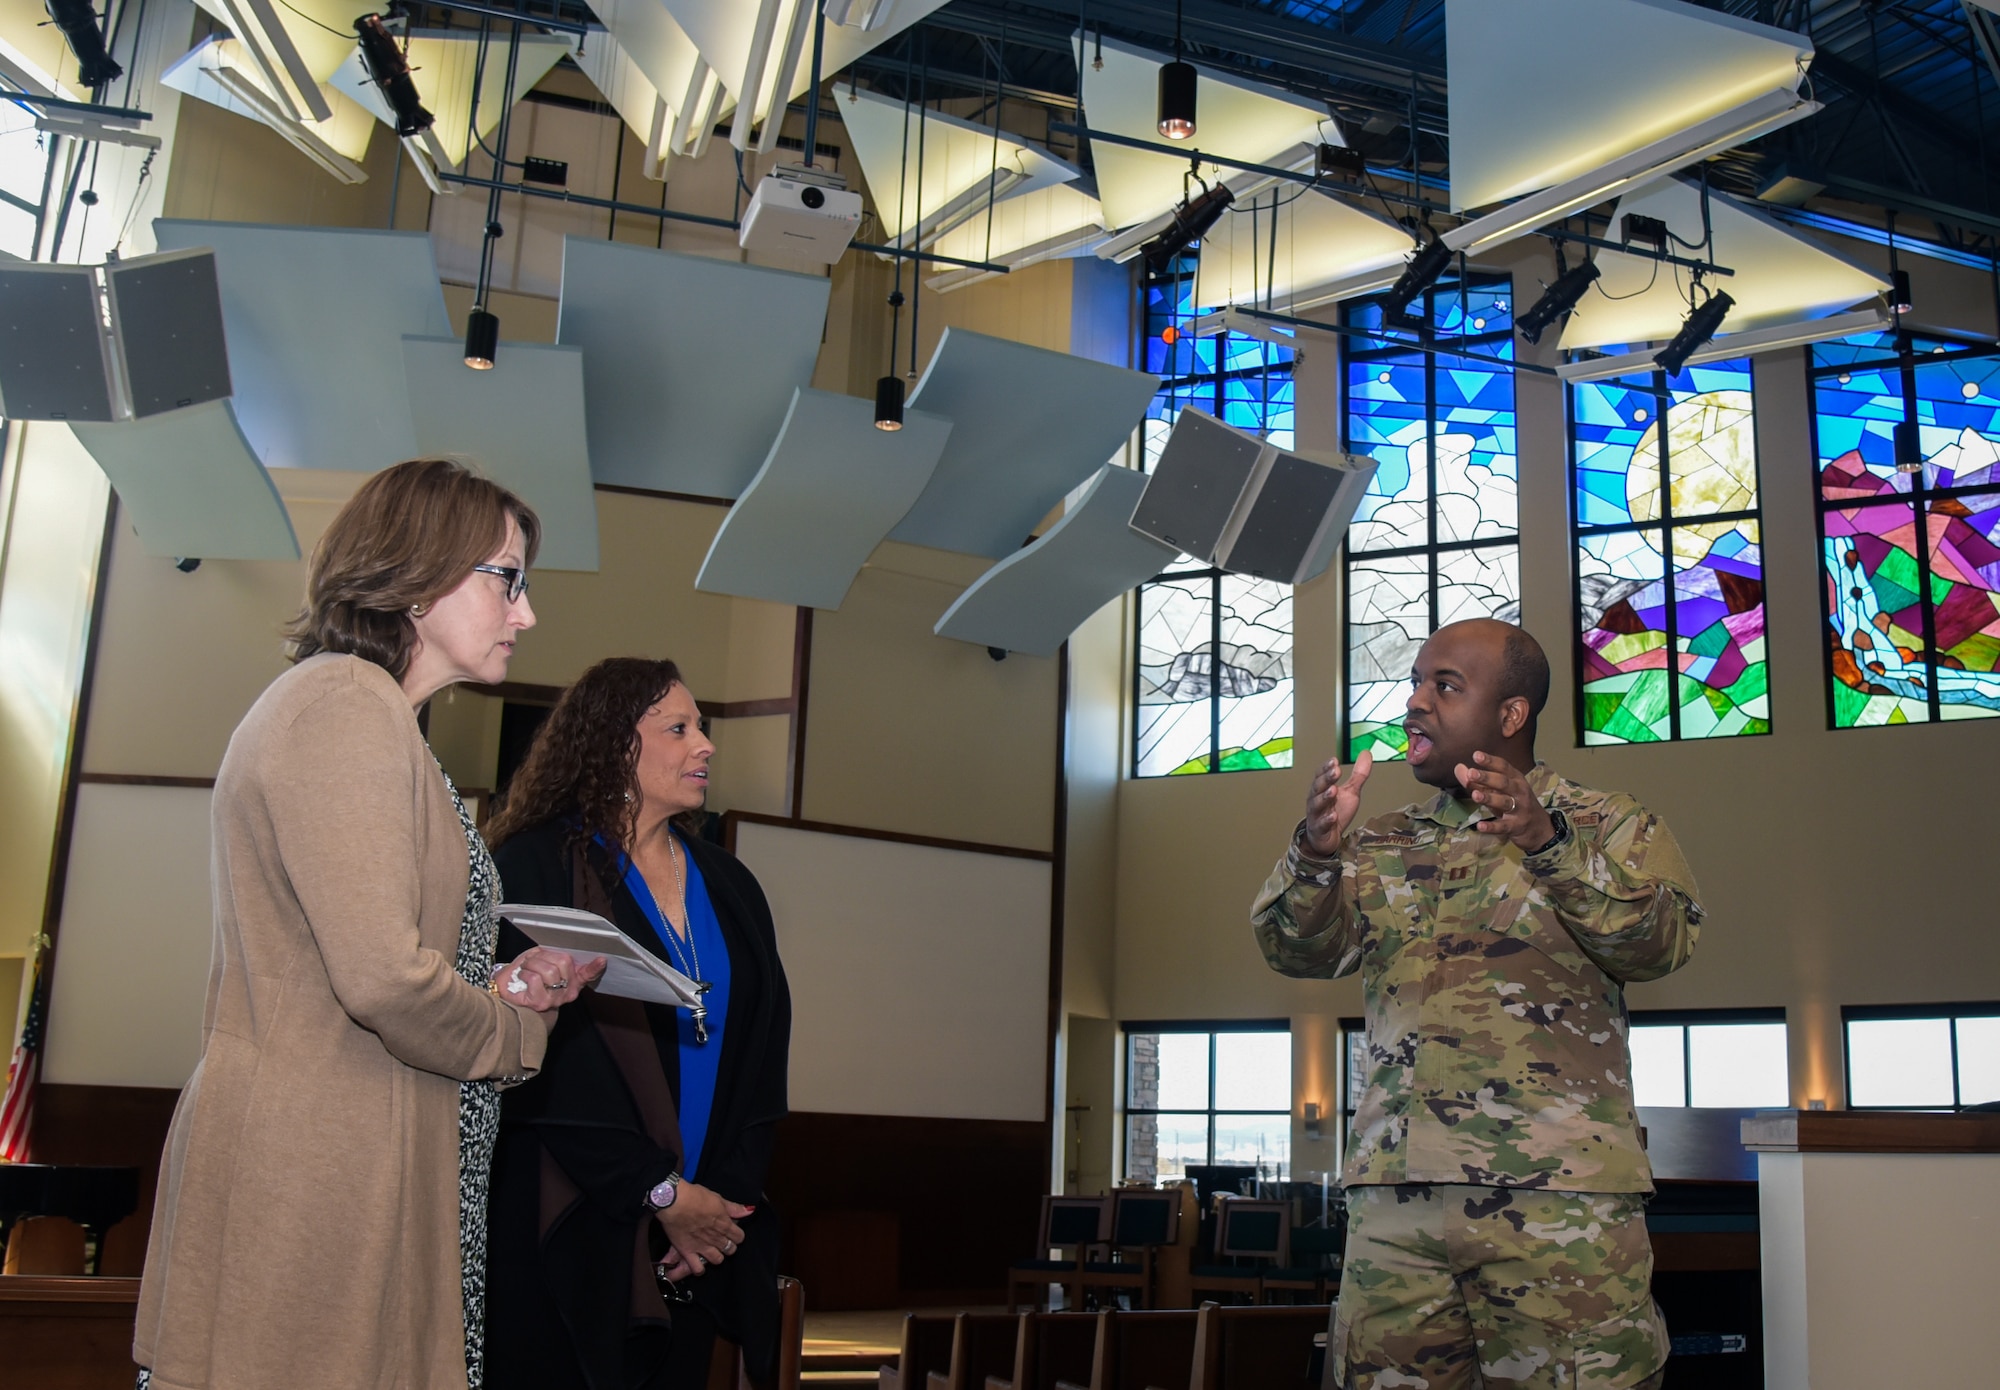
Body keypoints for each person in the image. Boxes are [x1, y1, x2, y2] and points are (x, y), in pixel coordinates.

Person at [134, 459, 605, 1390]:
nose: (526, 612)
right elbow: (382, 978)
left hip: (364, 1151)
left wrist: (502, 983)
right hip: (316, 1166)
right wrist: (516, 1031)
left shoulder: (377, 716)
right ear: (421, 575)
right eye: (508, 579)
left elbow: (377, 955)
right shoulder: (346, 704)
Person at [1251, 619, 1702, 1390]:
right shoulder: (1384, 842)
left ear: (1512, 714)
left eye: (1444, 685)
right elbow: (1296, 950)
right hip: (1397, 1210)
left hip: (1560, 1210)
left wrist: (1548, 842)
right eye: (1416, 682)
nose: (1415, 702)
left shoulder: (1609, 824)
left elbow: (1657, 945)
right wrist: (1316, 856)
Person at [483, 657, 792, 1390]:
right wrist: (658, 1193)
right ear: (613, 744)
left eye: (704, 728)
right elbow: (549, 1061)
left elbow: (763, 1049)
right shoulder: (535, 865)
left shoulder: (730, 881)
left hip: (694, 1245)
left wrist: (712, 1209)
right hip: (570, 1219)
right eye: (679, 728)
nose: (706, 745)